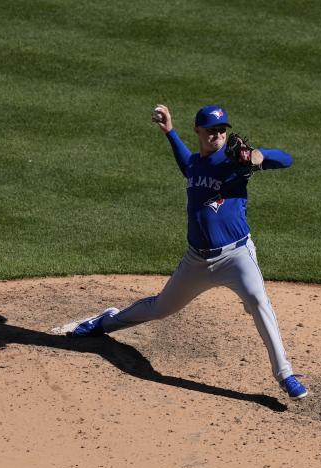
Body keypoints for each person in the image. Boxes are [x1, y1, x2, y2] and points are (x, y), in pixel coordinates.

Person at [70, 104, 308, 400]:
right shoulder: (195, 164)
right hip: (197, 260)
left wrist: (260, 157)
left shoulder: (235, 162)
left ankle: (285, 374)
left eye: (222, 130)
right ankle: (105, 321)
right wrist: (169, 131)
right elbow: (186, 163)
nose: (218, 135)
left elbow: (286, 160)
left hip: (236, 257)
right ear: (199, 131)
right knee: (161, 308)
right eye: (211, 130)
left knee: (259, 301)